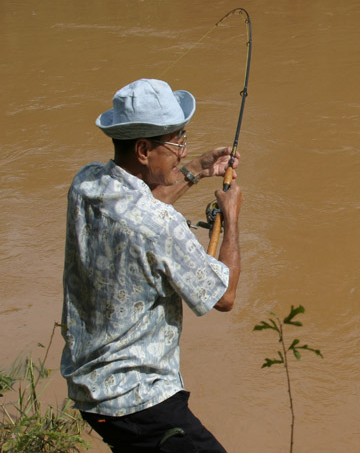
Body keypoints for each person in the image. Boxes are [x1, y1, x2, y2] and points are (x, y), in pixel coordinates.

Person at [61, 78, 242, 453]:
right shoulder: (162, 226)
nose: (182, 150)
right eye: (177, 142)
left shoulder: (87, 183)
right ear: (143, 149)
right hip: (140, 400)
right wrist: (232, 219)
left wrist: (196, 168)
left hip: (90, 388)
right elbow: (224, 297)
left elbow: (143, 205)